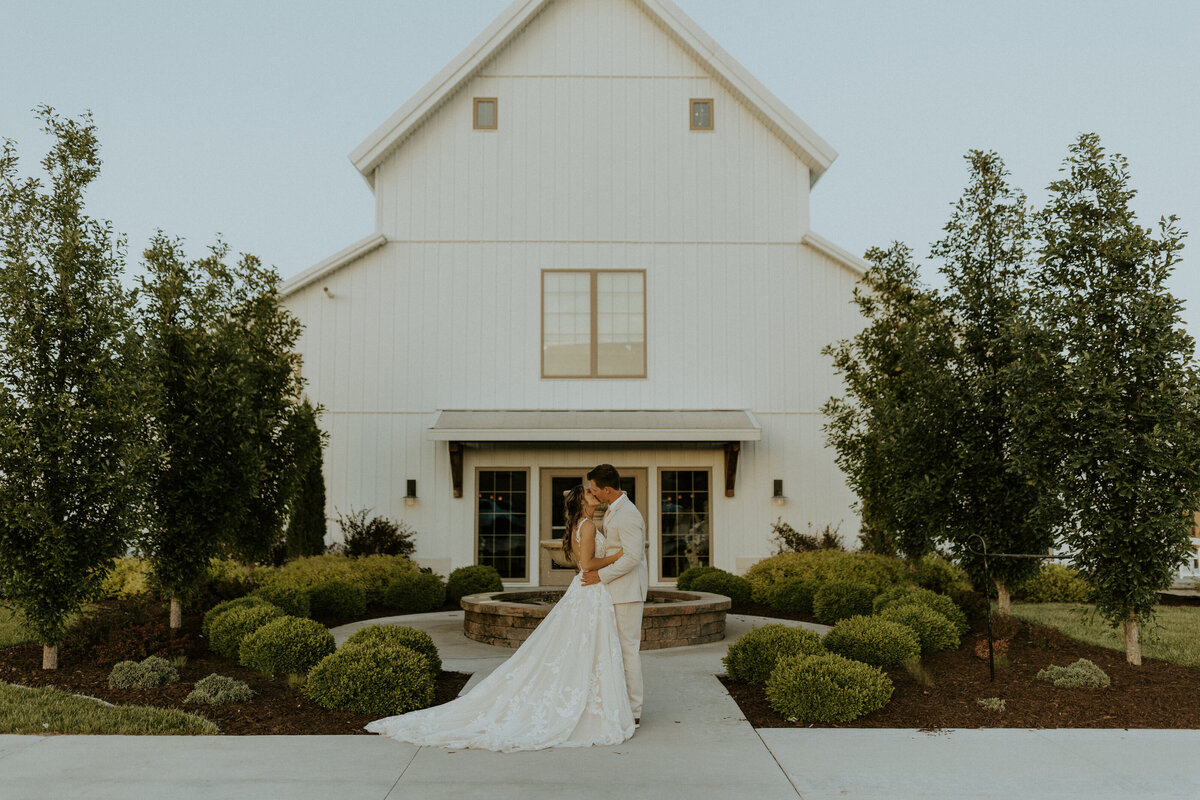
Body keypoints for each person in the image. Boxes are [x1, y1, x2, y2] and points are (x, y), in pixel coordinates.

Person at [364, 485, 635, 752]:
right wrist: (618, 555)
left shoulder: (581, 524)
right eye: (589, 492)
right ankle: (583, 701)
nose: (595, 494)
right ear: (581, 502)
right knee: (582, 647)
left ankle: (584, 696)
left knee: (578, 648)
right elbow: (586, 565)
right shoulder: (586, 525)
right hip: (589, 590)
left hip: (588, 591)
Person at [580, 463, 648, 724]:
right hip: (615, 590)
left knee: (628, 650)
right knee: (616, 650)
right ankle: (619, 703)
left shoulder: (628, 515)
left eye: (595, 489)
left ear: (607, 489)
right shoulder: (612, 510)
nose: (593, 493)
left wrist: (600, 575)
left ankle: (634, 711)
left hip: (628, 591)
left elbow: (632, 557)